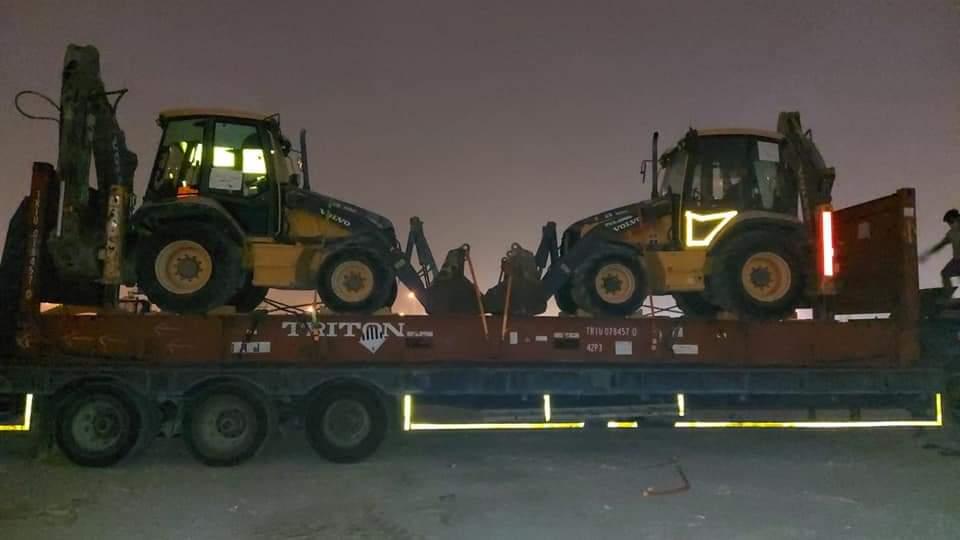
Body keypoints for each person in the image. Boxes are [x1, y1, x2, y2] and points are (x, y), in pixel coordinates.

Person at [920, 208, 960, 302]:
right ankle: (949, 297)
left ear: (958, 219)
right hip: (957, 261)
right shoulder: (951, 233)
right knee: (945, 273)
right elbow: (941, 245)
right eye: (949, 224)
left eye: (952, 222)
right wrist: (928, 253)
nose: (951, 225)